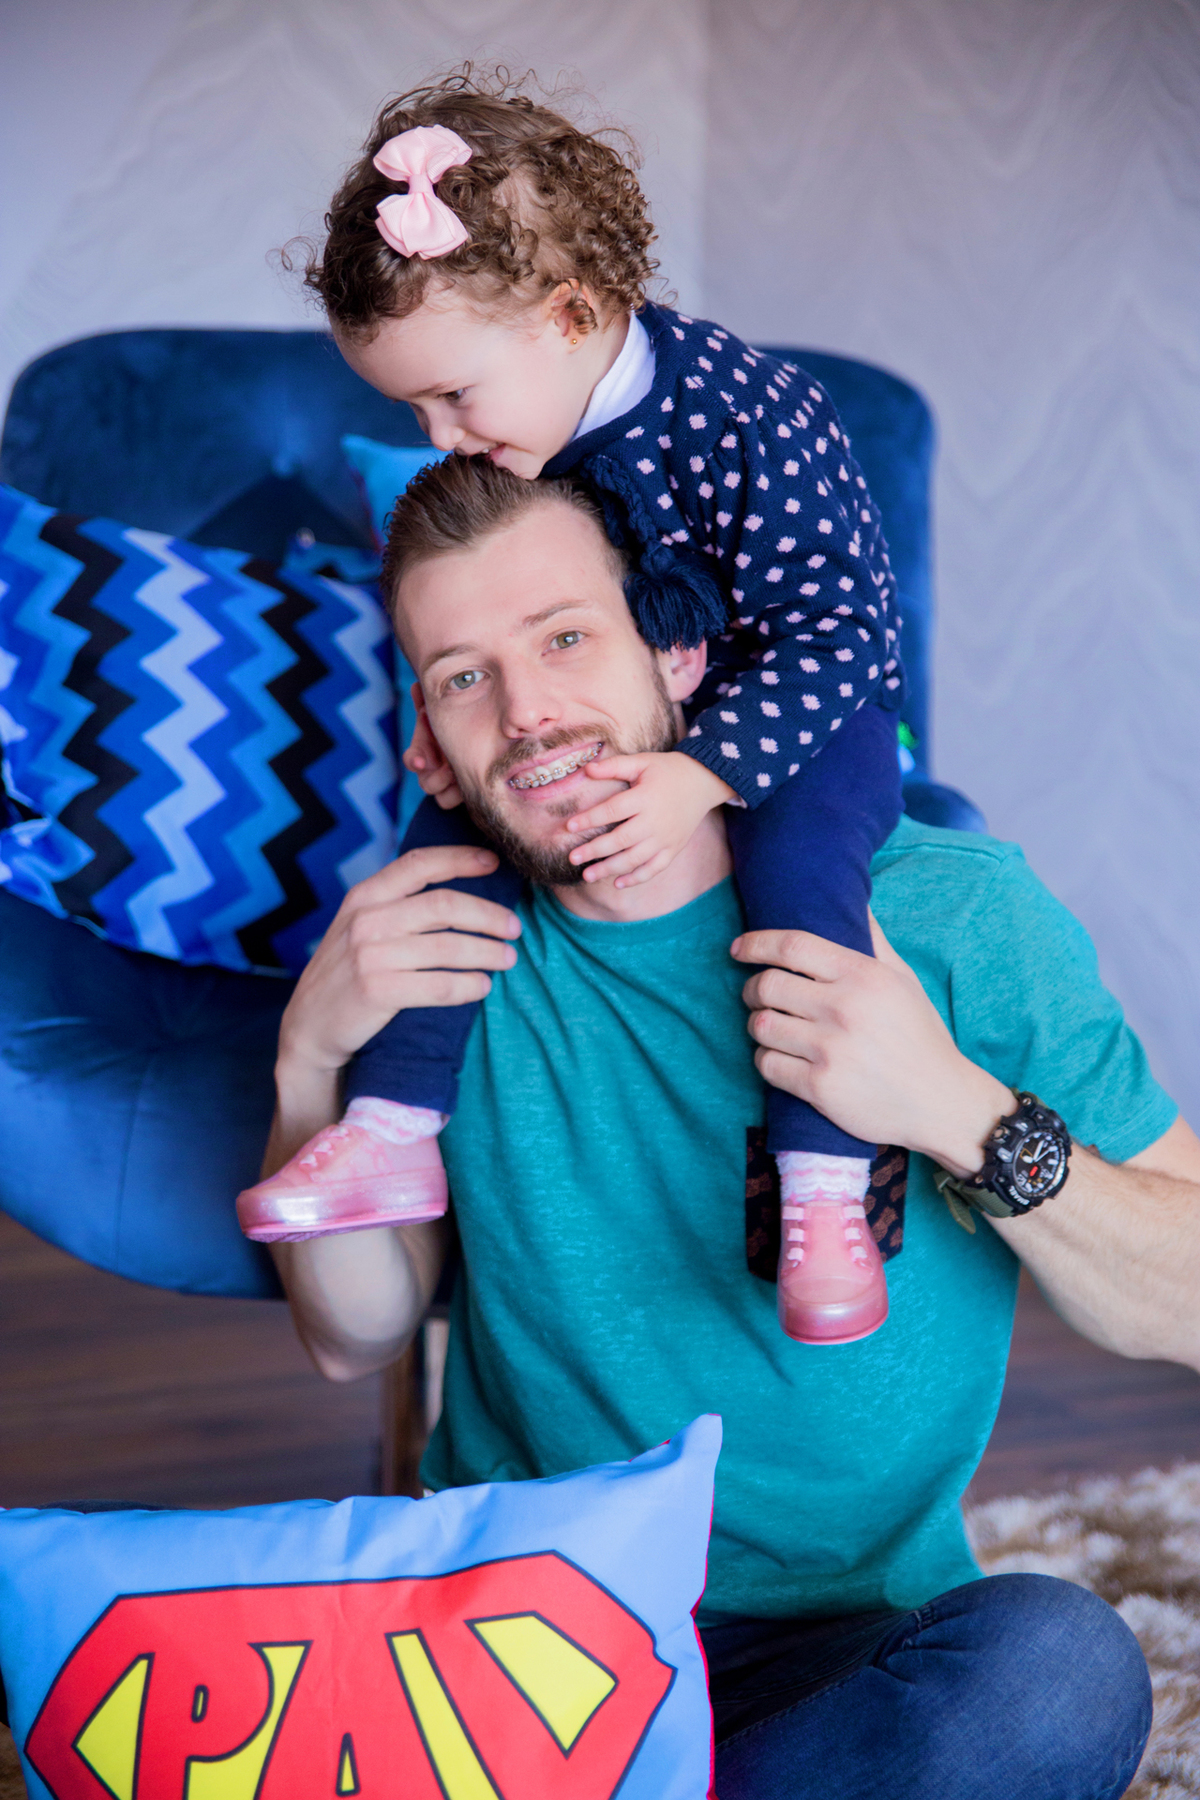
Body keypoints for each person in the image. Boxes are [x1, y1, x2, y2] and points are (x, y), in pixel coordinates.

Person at [265, 454, 1200, 1798]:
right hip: (528, 1629)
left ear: (681, 657)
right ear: (431, 746)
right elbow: (352, 1336)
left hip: (842, 1636)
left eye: (567, 638)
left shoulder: (952, 915)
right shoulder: (433, 956)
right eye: (465, 675)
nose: (530, 714)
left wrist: (951, 1103)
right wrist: (308, 1063)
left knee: (1059, 1670)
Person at [239, 70, 906, 1346]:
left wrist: (705, 773)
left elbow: (842, 633)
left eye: (454, 398)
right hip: (652, 710)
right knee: (450, 839)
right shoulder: (533, 437)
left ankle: (821, 1182)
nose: (439, 434)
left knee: (806, 878)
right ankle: (388, 1129)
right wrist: (446, 726)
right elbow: (489, 632)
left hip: (812, 715)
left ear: (573, 312)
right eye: (413, 410)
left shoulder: (749, 414)